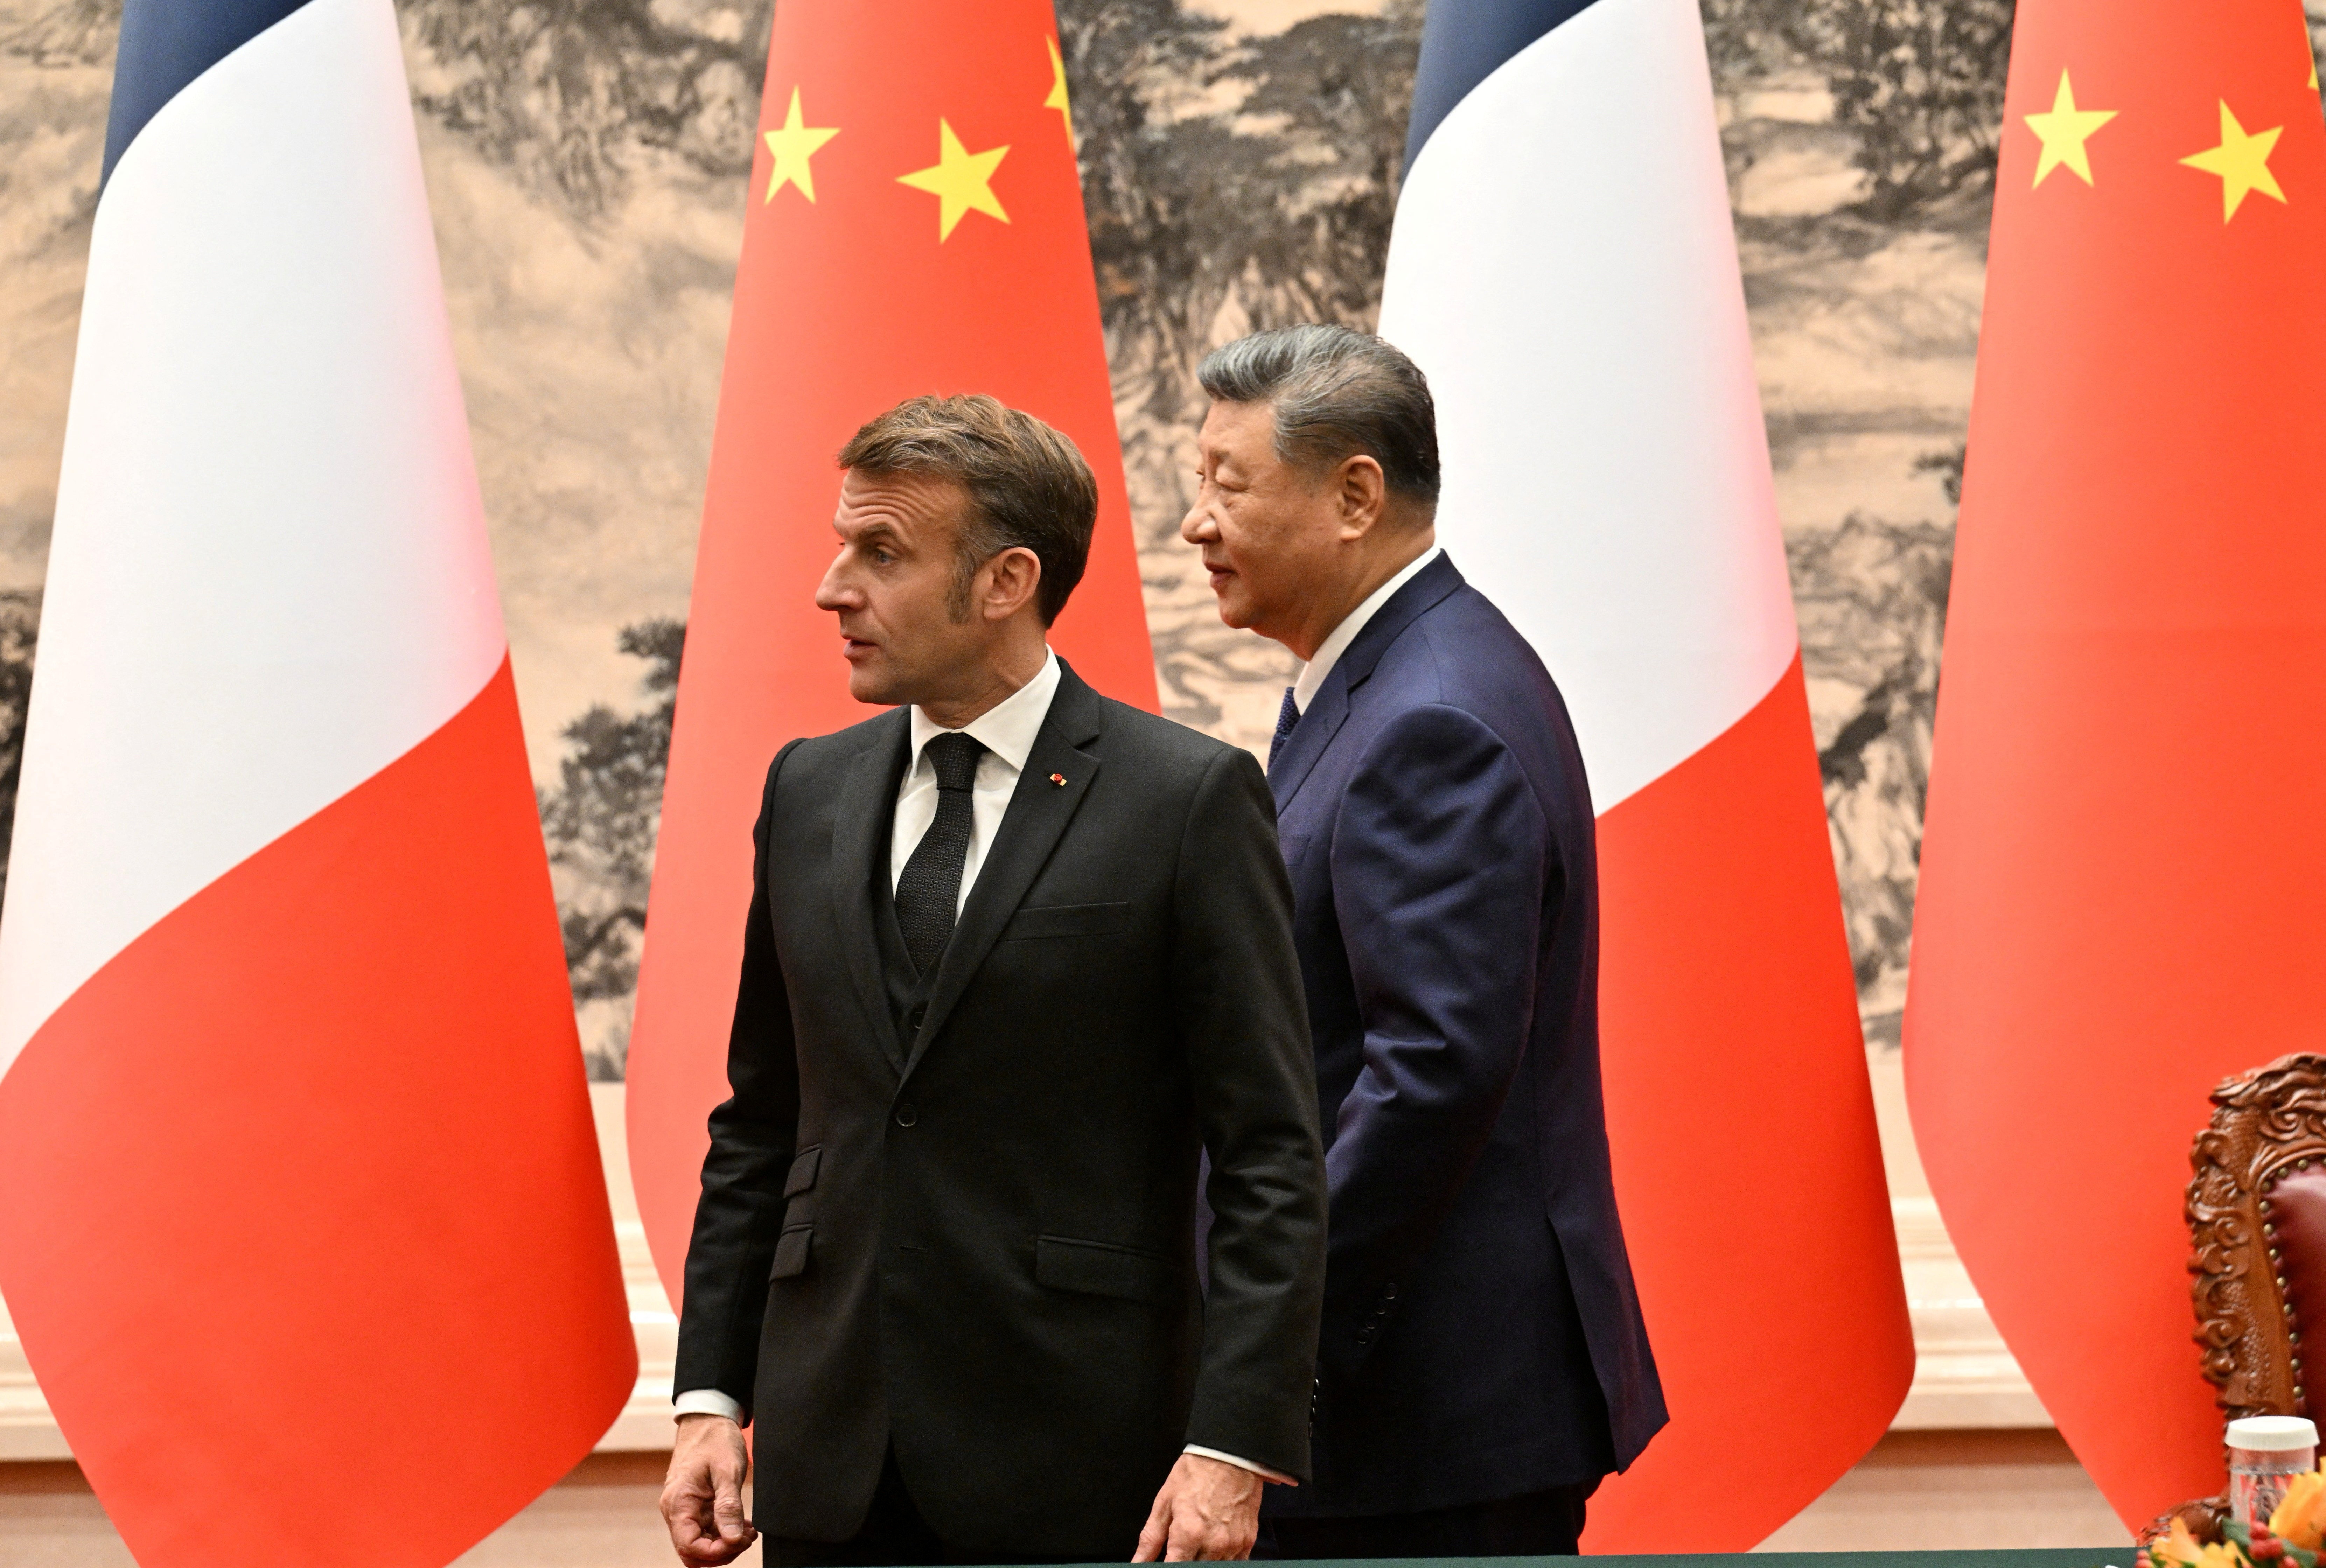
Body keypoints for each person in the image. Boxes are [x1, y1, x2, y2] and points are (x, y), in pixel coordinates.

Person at [659, 393, 1327, 1568]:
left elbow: (1271, 1149)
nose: (832, 589)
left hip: (1083, 1471)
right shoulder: (806, 791)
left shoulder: (1187, 801)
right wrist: (710, 1397)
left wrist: (1235, 1442)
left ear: (1006, 581)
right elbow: (761, 1122)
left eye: (881, 553)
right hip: (827, 1476)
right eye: (840, 544)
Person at [1180, 326, 1668, 1558]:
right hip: (1405, 1404)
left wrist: (1256, 1370)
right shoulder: (1385, 678)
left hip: (1422, 1414)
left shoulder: (1429, 715)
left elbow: (1429, 1076)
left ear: (1355, 495)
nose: (1195, 523)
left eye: (1227, 484)